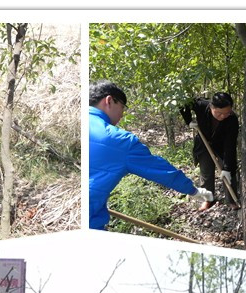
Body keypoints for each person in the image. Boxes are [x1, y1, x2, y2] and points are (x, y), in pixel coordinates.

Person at [89, 80, 212, 230]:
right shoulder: (119, 140)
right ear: (109, 101)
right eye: (122, 107)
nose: (121, 115)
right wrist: (193, 190)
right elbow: (160, 170)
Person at [179, 92, 239, 210]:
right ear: (212, 107)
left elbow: (230, 145)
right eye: (220, 113)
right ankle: (208, 199)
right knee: (206, 171)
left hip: (221, 145)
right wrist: (189, 121)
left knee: (229, 173)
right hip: (203, 141)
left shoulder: (232, 119)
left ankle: (232, 199)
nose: (223, 116)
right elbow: (183, 104)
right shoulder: (201, 105)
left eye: (226, 113)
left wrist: (226, 168)